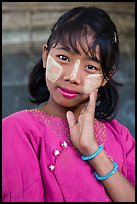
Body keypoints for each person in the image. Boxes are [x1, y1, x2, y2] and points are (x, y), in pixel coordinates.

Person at [2, 6, 135, 202]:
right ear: (46, 56)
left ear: (106, 76)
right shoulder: (17, 130)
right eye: (63, 58)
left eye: (90, 67)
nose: (73, 77)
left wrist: (93, 151)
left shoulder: (121, 136)